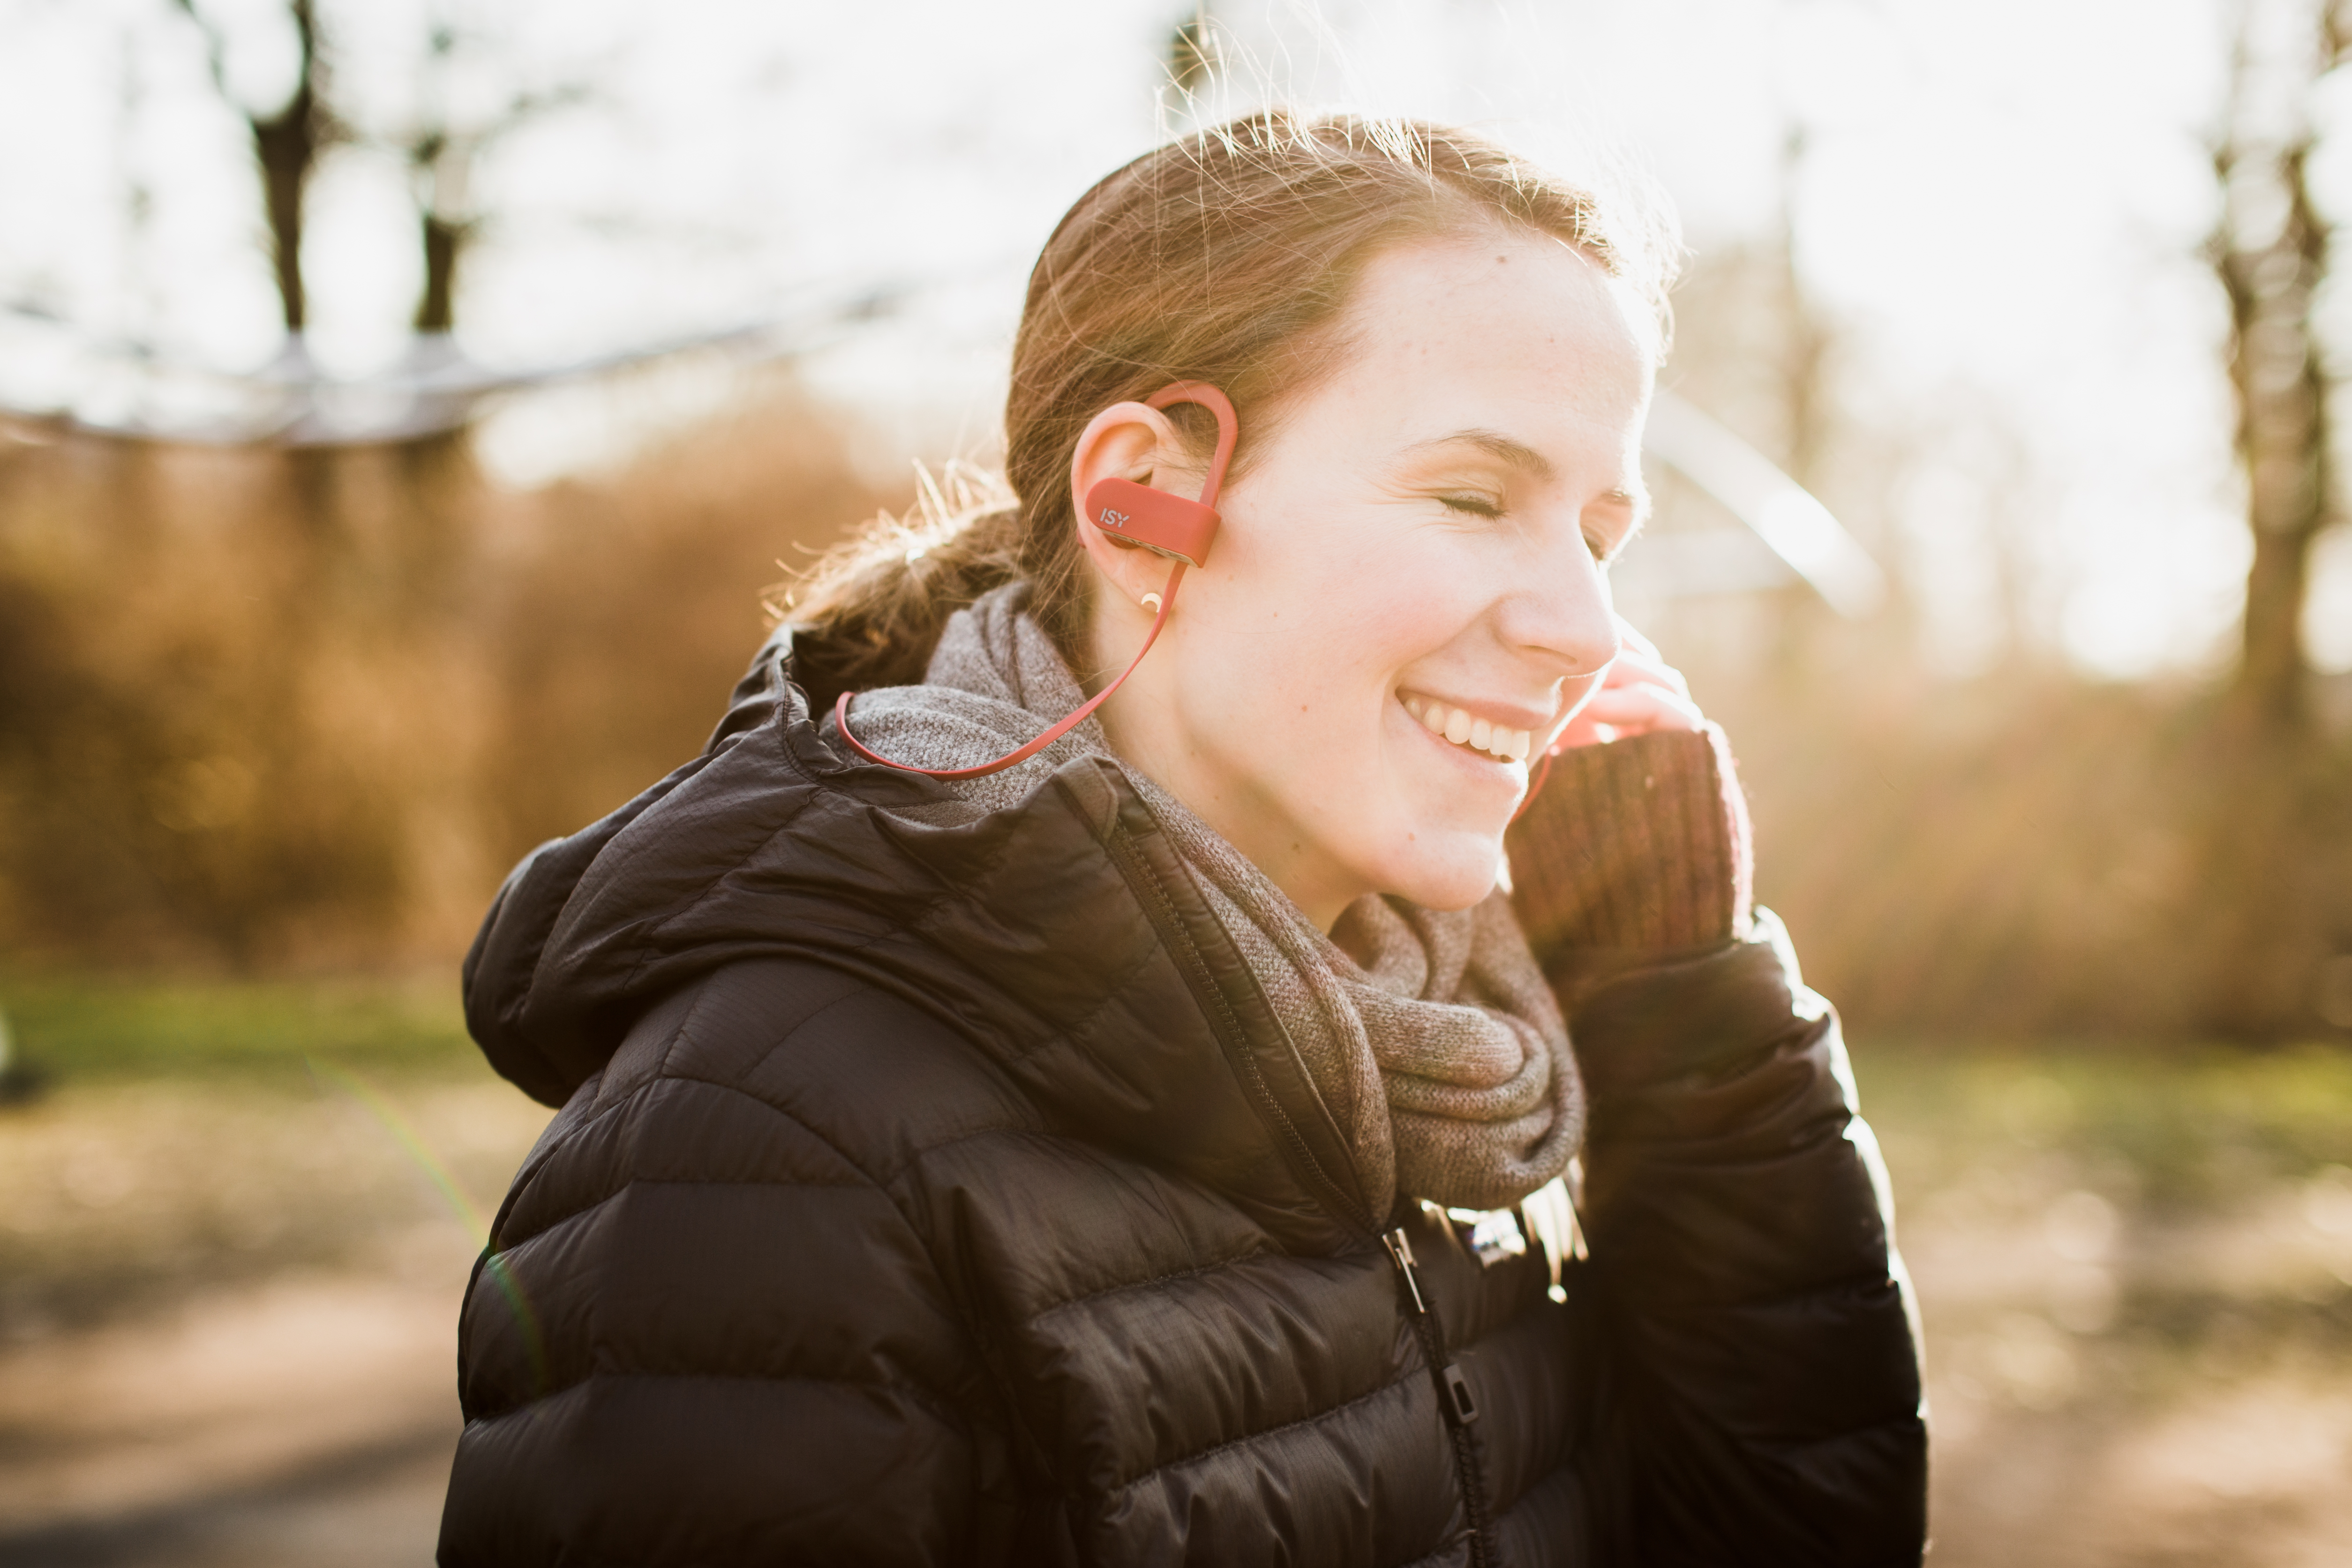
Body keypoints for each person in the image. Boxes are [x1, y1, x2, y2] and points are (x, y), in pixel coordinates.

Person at [439, 111, 1926, 1566]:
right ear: (1147, 503)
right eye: (1476, 497)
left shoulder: (1478, 1054)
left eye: (1600, 536)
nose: (1586, 627)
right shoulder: (767, 1154)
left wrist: (1683, 1002)